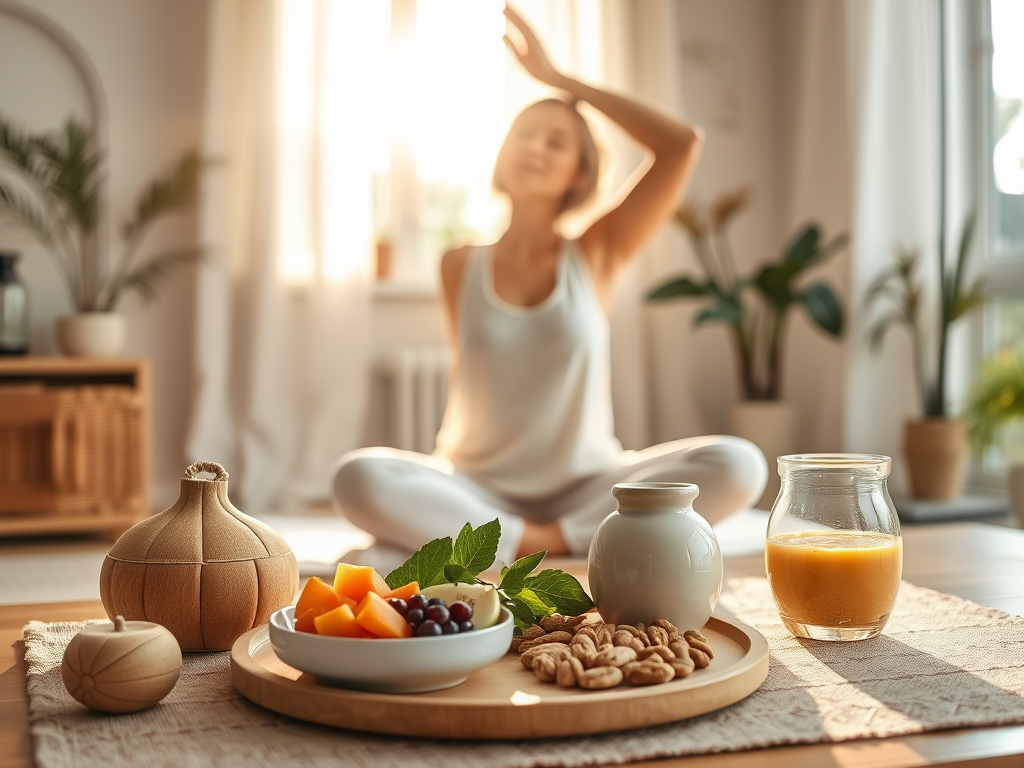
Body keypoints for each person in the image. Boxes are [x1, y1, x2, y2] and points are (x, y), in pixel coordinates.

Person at [333, 6, 766, 571]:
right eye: (525, 135)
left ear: (579, 172)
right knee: (357, 476)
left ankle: (526, 542)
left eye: (556, 142)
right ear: (502, 155)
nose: (536, 147)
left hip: (588, 485)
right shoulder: (459, 264)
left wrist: (559, 81)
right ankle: (559, 540)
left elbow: (681, 143)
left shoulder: (596, 253)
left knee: (741, 464)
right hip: (474, 487)